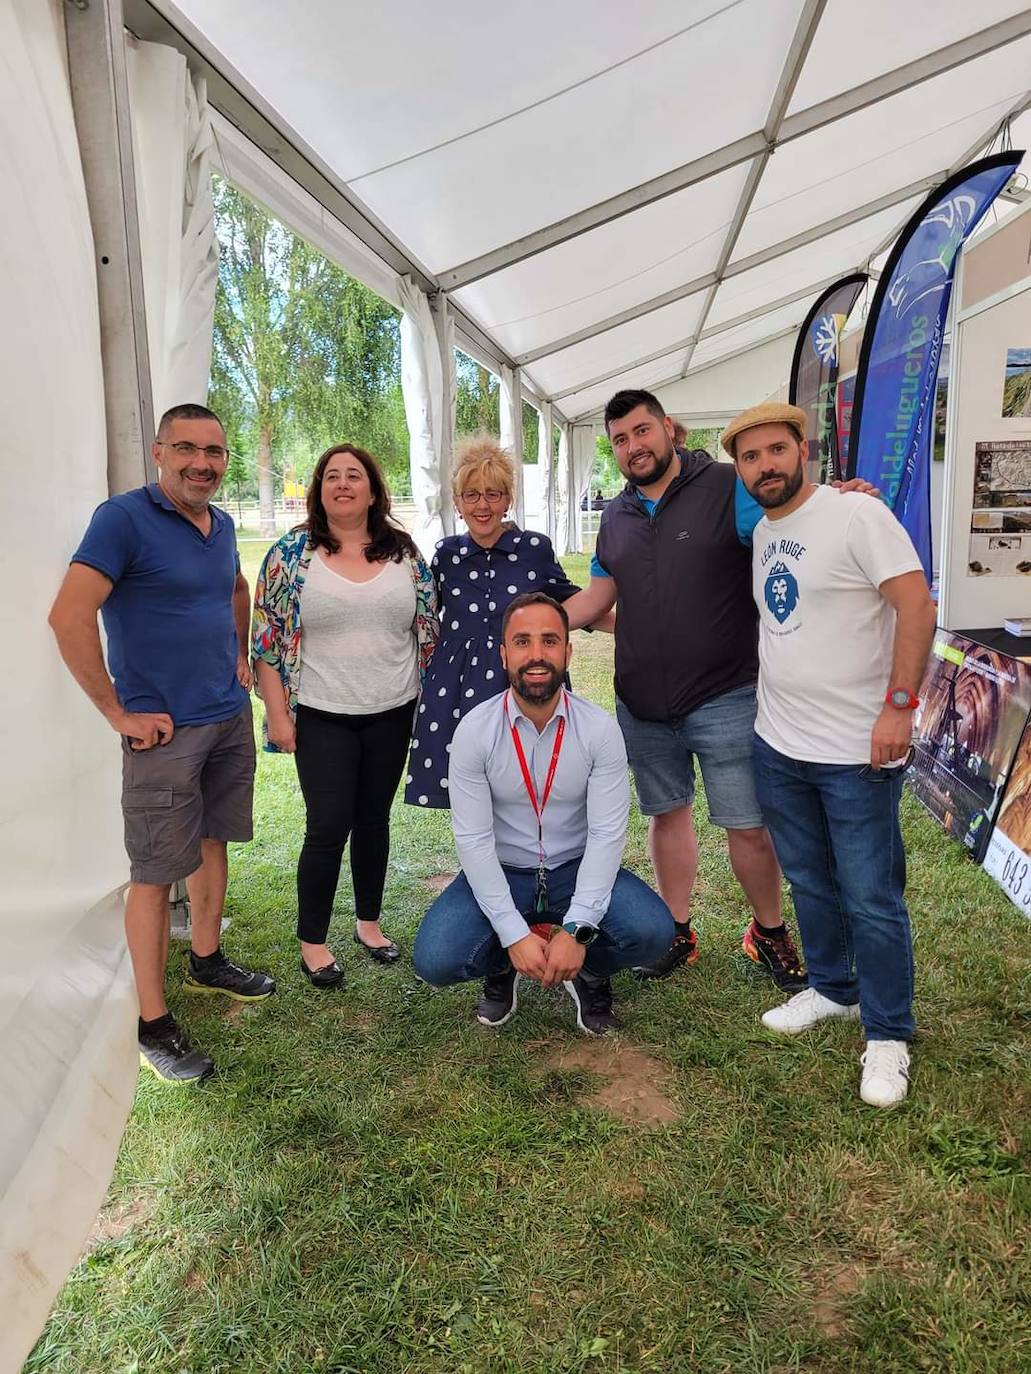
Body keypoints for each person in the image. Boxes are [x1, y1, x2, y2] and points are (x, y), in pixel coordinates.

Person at [48, 403, 274, 1084]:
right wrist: (117, 711)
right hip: (163, 734)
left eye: (215, 451)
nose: (201, 463)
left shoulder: (222, 523)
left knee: (212, 844)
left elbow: (234, 587)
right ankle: (152, 1024)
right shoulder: (122, 519)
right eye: (186, 448)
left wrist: (239, 653)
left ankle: (207, 959)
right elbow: (67, 614)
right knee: (152, 876)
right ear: (158, 451)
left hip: (226, 718)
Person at [727, 401, 936, 1107]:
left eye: (774, 451)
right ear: (741, 470)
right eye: (750, 458)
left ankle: (886, 1034)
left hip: (856, 750)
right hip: (778, 745)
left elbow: (916, 606)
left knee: (871, 896)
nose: (765, 466)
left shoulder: (857, 516)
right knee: (811, 883)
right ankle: (833, 989)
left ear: (801, 450)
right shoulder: (764, 531)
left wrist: (898, 707)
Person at [563, 389, 807, 990]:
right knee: (666, 816)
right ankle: (678, 931)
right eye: (620, 439)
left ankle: (767, 932)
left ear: (668, 427)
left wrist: (836, 501)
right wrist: (533, 620)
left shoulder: (728, 486)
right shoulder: (615, 514)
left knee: (746, 823)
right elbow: (598, 597)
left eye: (642, 431)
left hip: (725, 693)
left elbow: (790, 523)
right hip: (642, 703)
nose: (633, 446)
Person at [413, 593, 674, 1033]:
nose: (536, 655)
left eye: (550, 641)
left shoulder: (599, 729)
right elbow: (474, 841)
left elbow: (608, 835)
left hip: (574, 867)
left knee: (653, 933)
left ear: (568, 652)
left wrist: (578, 930)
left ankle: (587, 969)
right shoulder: (475, 731)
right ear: (504, 655)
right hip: (504, 869)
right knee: (436, 959)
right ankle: (505, 963)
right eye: (522, 642)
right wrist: (513, 934)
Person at [252, 444, 438, 987]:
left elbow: (427, 630)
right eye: (331, 476)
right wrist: (280, 717)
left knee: (374, 821)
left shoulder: (403, 552)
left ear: (374, 490)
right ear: (319, 490)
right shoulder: (291, 554)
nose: (342, 484)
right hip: (321, 714)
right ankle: (313, 940)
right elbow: (266, 641)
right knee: (328, 826)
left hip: (392, 710)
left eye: (354, 475)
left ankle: (369, 923)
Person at [405, 433, 602, 810]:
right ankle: (482, 867)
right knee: (472, 788)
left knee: (533, 783)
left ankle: (530, 864)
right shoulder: (446, 556)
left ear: (508, 499)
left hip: (524, 675)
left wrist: (630, 625)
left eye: (493, 494)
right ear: (458, 502)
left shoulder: (534, 549)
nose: (483, 505)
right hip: (458, 687)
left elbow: (569, 599)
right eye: (472, 495)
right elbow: (420, 613)